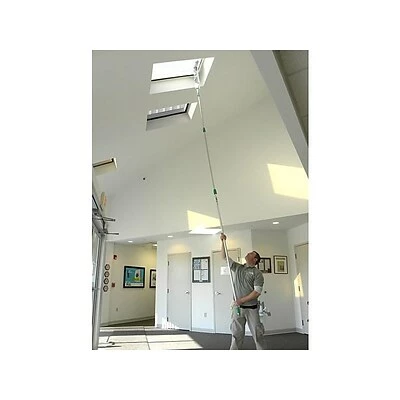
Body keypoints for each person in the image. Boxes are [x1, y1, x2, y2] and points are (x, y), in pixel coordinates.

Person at [220, 232, 266, 350]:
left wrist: (241, 300)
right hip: (238, 309)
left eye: (251, 254)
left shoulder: (257, 273)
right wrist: (223, 242)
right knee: (236, 334)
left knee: (258, 334)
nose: (248, 253)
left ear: (255, 259)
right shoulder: (238, 267)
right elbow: (225, 257)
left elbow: (257, 292)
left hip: (252, 309)